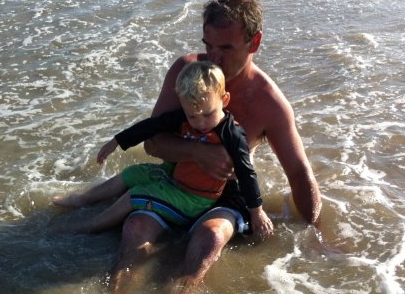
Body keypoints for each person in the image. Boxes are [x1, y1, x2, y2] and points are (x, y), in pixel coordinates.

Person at [64, 0, 321, 294]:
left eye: (226, 48)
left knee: (208, 240)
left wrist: (315, 231)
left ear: (254, 42)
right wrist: (197, 153)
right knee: (134, 229)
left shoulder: (269, 102)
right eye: (208, 45)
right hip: (179, 178)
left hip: (225, 194)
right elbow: (154, 141)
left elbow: (299, 172)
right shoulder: (187, 73)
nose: (212, 58)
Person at [53, 61, 273, 240]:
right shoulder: (186, 116)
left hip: (194, 200)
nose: (200, 123)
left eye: (207, 114)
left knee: (134, 195)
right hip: (174, 178)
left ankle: (90, 226)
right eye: (193, 116)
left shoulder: (232, 133)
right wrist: (117, 141)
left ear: (224, 100)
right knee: (132, 173)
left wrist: (257, 212)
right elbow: (153, 126)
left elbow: (246, 173)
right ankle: (82, 199)